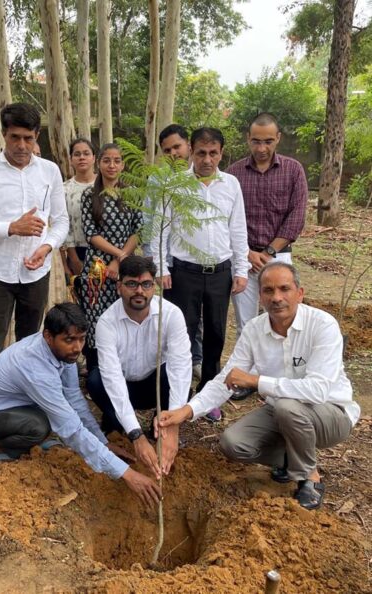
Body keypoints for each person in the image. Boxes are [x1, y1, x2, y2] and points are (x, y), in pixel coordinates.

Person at [159, 263, 359, 510]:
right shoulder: (255, 329)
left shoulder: (322, 325)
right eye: (268, 290)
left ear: (300, 292)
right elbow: (227, 380)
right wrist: (187, 411)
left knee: (287, 406)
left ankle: (309, 477)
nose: (276, 298)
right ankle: (291, 459)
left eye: (284, 289)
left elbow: (318, 391)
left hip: (331, 414)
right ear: (260, 295)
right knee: (233, 443)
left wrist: (256, 381)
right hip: (283, 413)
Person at [0, 303, 162, 507]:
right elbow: (71, 428)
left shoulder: (63, 354)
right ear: (48, 336)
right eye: (69, 340)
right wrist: (126, 474)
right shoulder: (34, 367)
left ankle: (25, 441)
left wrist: (102, 441)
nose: (77, 348)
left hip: (15, 407)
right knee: (40, 425)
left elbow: (74, 397)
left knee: (52, 416)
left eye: (82, 339)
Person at [151, 127, 249, 421]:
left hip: (220, 272)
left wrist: (241, 269)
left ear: (221, 153)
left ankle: (207, 394)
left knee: (216, 333)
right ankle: (177, 396)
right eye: (201, 153)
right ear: (191, 152)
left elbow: (237, 229)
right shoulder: (175, 186)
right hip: (184, 273)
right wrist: (161, 267)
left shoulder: (231, 185)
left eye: (213, 153)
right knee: (182, 333)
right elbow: (160, 230)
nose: (207, 160)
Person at [0, 103, 68, 371]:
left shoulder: (49, 171)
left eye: (28, 139)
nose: (22, 145)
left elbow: (60, 221)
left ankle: (23, 394)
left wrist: (46, 247)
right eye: (15, 138)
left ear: (36, 137)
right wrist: (10, 227)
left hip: (37, 272)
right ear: (3, 134)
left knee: (30, 340)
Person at [87, 256, 192, 477]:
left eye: (146, 284)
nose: (139, 292)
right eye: (131, 284)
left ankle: (160, 422)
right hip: (123, 385)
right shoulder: (107, 323)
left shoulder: (171, 315)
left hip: (154, 384)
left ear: (154, 286)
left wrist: (172, 425)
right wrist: (136, 435)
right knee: (96, 381)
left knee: (174, 379)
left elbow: (180, 368)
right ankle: (117, 421)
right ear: (119, 287)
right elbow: (112, 378)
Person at [227, 113, 308, 400]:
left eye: (268, 141)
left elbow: (296, 216)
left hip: (279, 258)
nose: (262, 148)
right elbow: (226, 217)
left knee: (283, 318)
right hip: (244, 258)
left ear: (278, 139)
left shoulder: (293, 170)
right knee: (247, 324)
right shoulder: (234, 173)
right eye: (256, 141)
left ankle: (282, 381)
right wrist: (247, 253)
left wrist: (269, 252)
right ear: (248, 139)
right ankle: (244, 379)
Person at [76, 143, 142, 371]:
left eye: (117, 160)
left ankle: (123, 369)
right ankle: (96, 371)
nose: (112, 165)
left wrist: (119, 259)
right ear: (99, 163)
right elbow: (91, 234)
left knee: (123, 316)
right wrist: (117, 255)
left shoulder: (132, 193)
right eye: (107, 160)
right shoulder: (88, 195)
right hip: (97, 268)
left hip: (124, 266)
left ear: (123, 164)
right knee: (96, 317)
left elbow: (137, 230)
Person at [157, 123, 202, 381]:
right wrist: (159, 263)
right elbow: (154, 225)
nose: (174, 153)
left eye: (177, 146)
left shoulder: (205, 176)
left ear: (188, 145)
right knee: (176, 314)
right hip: (172, 262)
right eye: (167, 150)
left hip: (198, 261)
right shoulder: (157, 180)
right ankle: (171, 362)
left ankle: (196, 359)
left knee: (198, 316)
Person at [61, 138, 96, 279]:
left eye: (86, 153)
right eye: (77, 154)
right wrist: (74, 259)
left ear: (94, 158)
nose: (82, 157)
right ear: (70, 159)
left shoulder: (105, 185)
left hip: (107, 251)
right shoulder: (64, 189)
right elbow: (64, 224)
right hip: (77, 251)